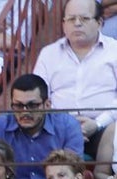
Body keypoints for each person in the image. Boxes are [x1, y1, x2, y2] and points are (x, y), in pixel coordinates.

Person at [33, 0, 117, 161]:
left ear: (99, 23)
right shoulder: (48, 54)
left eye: (84, 19)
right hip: (58, 131)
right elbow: (38, 97)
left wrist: (98, 123)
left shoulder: (115, 51)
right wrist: (68, 126)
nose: (77, 24)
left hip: (106, 129)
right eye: (71, 19)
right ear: (64, 24)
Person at [0, 74, 84, 179]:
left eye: (32, 105)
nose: (25, 112)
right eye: (18, 105)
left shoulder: (68, 126)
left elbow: (73, 176)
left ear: (47, 105)